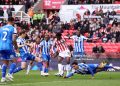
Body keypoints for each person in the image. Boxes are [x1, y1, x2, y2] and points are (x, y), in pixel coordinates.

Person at [0, 17, 17, 82]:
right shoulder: (13, 28)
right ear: (13, 21)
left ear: (7, 21)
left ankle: (3, 78)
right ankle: (9, 74)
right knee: (14, 61)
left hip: (1, 47)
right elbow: (13, 39)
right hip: (8, 46)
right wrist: (16, 47)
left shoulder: (1, 28)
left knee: (5, 62)